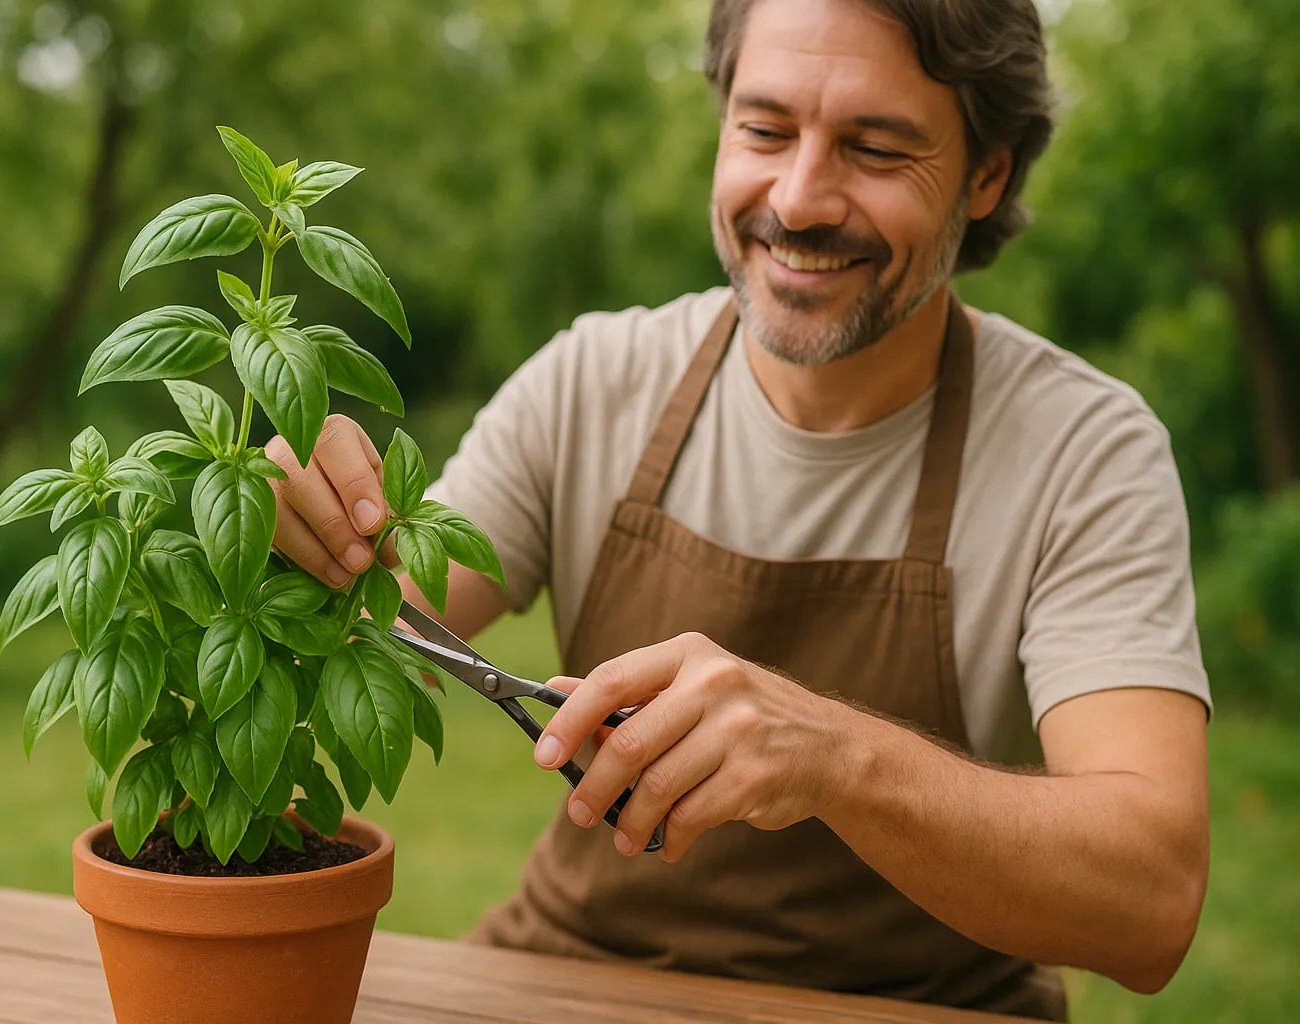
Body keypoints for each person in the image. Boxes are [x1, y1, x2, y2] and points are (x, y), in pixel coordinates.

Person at [264, 0, 1211, 1018]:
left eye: (877, 148)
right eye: (764, 130)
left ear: (989, 172)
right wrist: (277, 524)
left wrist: (838, 758)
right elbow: (369, 613)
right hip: (563, 982)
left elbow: (1150, 900)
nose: (799, 200)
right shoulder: (593, 381)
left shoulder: (1085, 452)